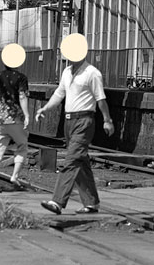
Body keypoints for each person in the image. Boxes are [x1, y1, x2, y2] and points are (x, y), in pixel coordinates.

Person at [35, 55, 115, 215]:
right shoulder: (66, 71)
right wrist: (45, 108)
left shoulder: (92, 73)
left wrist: (107, 120)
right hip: (69, 121)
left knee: (71, 160)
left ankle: (57, 202)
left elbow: (101, 99)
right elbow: (59, 94)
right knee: (81, 162)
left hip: (84, 120)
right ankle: (91, 202)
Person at [0, 58, 30, 192]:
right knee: (22, 146)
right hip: (15, 119)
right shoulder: (21, 78)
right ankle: (15, 176)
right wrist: (27, 115)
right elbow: (22, 96)